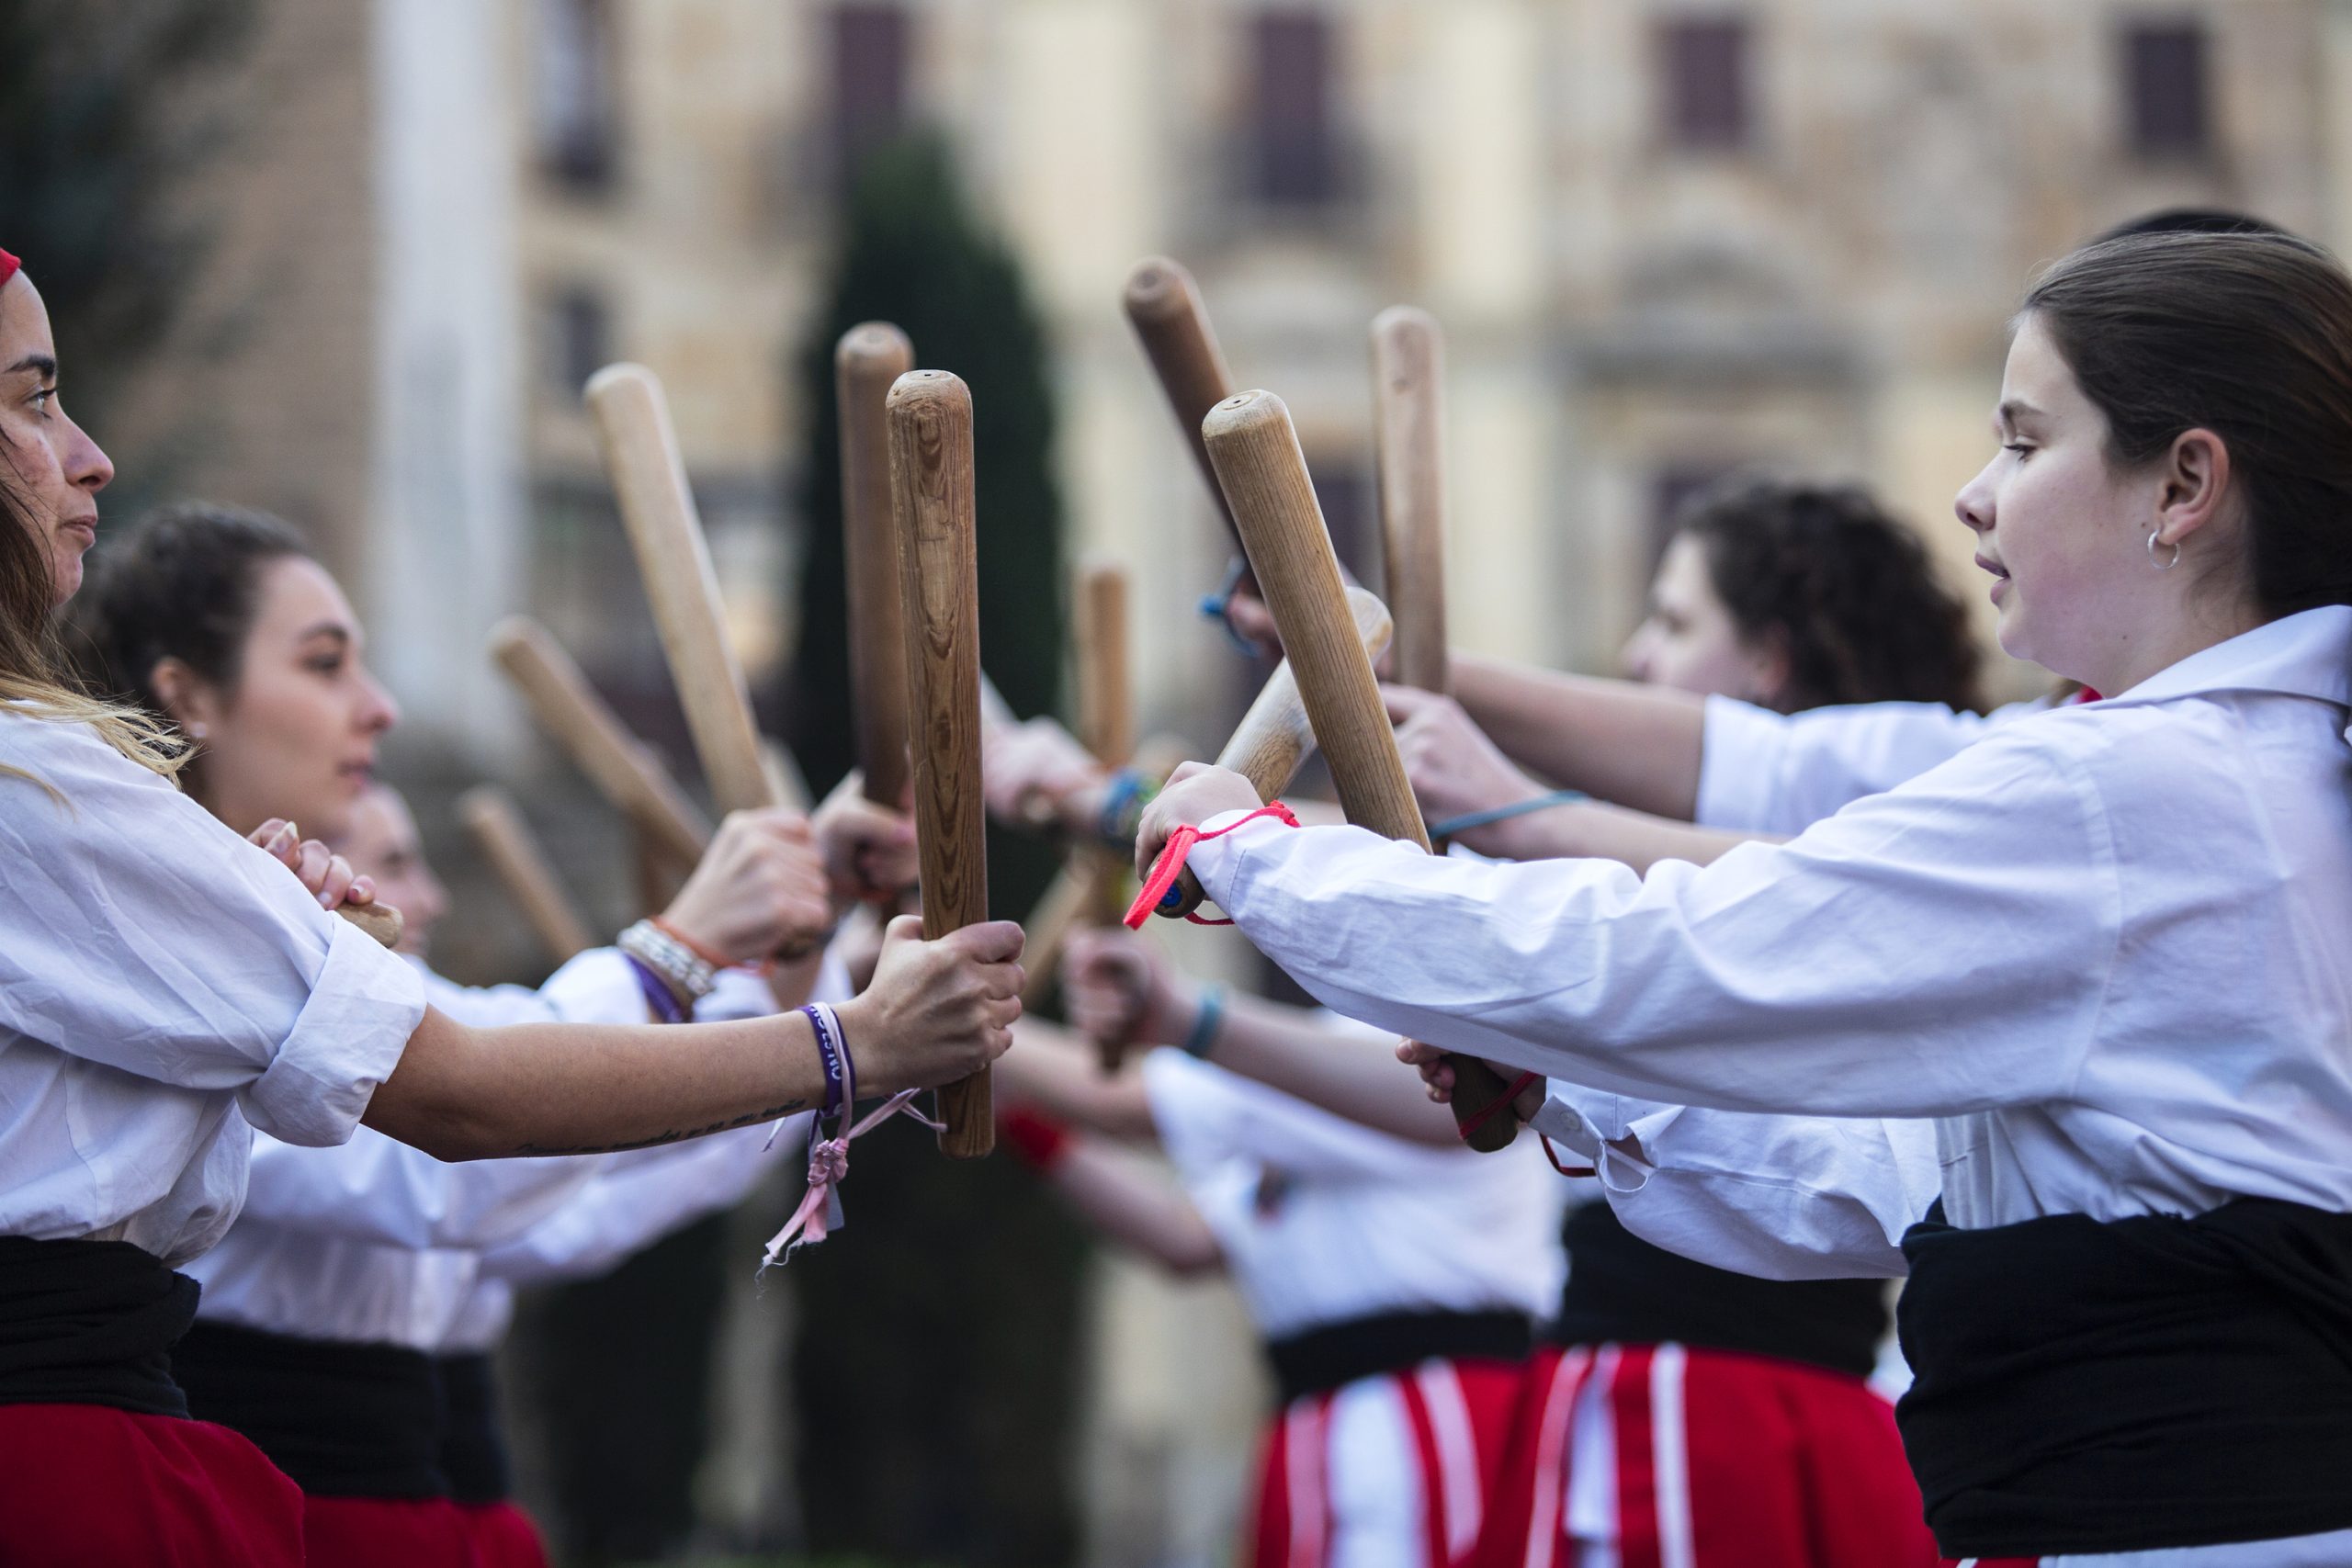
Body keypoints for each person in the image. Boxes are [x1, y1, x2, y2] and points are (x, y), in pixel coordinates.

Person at [1139, 230, 2352, 1566]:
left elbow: (1687, 955)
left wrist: (1256, 852)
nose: (1974, 495)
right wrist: (1567, 1087)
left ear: (2184, 484)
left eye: (2020, 439)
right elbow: (1912, 1173)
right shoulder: (2257, 780)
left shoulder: (2141, 788)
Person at [0, 246, 1021, 1567]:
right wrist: (801, 1014)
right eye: (33, 400)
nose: (89, 454)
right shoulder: (41, 788)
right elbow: (462, 1124)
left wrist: (802, 976)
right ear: (188, 693)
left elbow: (569, 1197)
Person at [995, 1018, 1564, 1568]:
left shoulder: (1400, 1045)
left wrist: (977, 1026)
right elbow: (1187, 1237)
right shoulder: (1302, 1087)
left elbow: (1126, 1102)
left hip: (1433, 1426)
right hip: (1320, 1422)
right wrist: (1017, 1114)